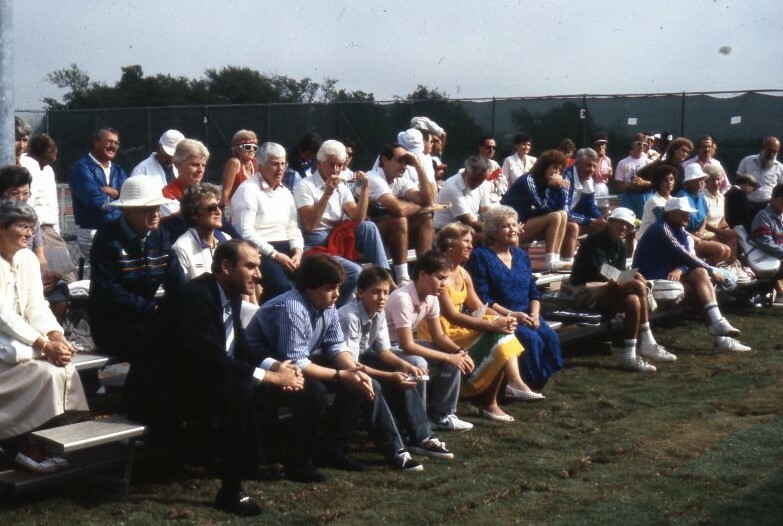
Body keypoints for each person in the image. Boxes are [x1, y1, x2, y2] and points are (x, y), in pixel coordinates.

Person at [165, 239, 324, 516]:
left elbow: (240, 347)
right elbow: (211, 359)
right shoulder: (197, 297)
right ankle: (231, 489)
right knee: (239, 389)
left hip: (216, 377)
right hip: (177, 389)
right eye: (250, 266)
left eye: (259, 267)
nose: (259, 275)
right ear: (226, 267)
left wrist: (276, 367)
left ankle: (298, 463)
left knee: (312, 390)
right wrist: (268, 377)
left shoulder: (230, 294)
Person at [246, 254, 424, 473]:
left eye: (338, 287)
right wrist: (341, 376)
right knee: (315, 391)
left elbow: (336, 346)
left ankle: (333, 449)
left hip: (292, 364)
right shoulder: (291, 309)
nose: (337, 294)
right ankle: (299, 461)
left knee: (358, 384)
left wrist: (354, 370)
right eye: (330, 288)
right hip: (263, 369)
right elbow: (297, 362)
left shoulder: (326, 305)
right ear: (310, 287)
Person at [0, 200, 88, 474]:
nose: (29, 234)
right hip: (6, 346)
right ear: (2, 228)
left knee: (65, 370)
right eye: (22, 227)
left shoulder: (26, 258)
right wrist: (43, 345)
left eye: (31, 227)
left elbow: (36, 305)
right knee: (46, 375)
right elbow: (4, 314)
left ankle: (43, 440)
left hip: (21, 342)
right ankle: (21, 446)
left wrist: (55, 336)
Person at [425, 223, 545, 416]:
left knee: (503, 331)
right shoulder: (440, 276)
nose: (471, 246)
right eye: (465, 241)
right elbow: (452, 316)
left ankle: (504, 391)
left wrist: (508, 316)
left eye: (471, 242)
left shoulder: (463, 273)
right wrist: (492, 323)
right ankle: (494, 399)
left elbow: (479, 307)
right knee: (498, 335)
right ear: (449, 245)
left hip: (458, 328)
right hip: (439, 332)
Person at [338, 266, 455, 456]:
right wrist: (391, 375)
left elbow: (383, 351)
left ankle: (421, 436)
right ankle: (410, 439)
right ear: (360, 292)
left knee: (409, 371)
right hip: (341, 364)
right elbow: (351, 364)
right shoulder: (350, 316)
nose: (382, 297)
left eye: (385, 292)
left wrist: (404, 365)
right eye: (375, 292)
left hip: (362, 357)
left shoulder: (378, 311)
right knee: (385, 381)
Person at [633, 197, 751, 352]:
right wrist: (710, 270)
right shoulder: (662, 229)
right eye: (683, 213)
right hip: (651, 276)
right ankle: (720, 335)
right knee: (699, 286)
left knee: (700, 273)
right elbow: (682, 253)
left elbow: (686, 256)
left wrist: (682, 269)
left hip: (666, 273)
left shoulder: (678, 229)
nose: (688, 217)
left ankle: (718, 325)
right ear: (671, 214)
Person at [467, 206, 565, 390]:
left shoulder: (521, 255)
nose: (512, 229)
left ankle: (539, 381)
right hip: (503, 315)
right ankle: (521, 384)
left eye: (514, 225)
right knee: (531, 339)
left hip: (528, 314)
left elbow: (533, 292)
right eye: (506, 226)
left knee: (549, 336)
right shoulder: (481, 257)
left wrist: (535, 314)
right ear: (494, 231)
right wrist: (514, 314)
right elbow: (484, 298)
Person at [89, 176, 186, 362]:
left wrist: (181, 307)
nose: (156, 213)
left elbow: (176, 280)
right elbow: (107, 288)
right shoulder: (107, 238)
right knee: (158, 347)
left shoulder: (161, 235)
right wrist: (152, 309)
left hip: (149, 318)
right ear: (128, 211)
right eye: (147, 209)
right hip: (114, 324)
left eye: (157, 208)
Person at [567, 207, 673, 372]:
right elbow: (605, 272)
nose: (624, 228)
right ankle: (647, 340)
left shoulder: (621, 246)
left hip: (606, 290)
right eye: (620, 223)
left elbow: (618, 277)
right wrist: (634, 279)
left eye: (628, 226)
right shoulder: (592, 241)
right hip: (584, 293)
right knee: (637, 284)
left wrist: (633, 277)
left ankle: (630, 355)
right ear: (610, 223)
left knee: (633, 300)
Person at [384, 250, 475, 431]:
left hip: (400, 344)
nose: (444, 284)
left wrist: (459, 352)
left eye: (446, 279)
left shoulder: (432, 297)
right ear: (423, 275)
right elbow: (407, 344)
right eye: (440, 278)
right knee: (421, 361)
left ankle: (441, 416)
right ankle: (417, 422)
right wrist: (449, 358)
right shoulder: (403, 298)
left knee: (452, 356)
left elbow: (439, 336)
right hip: (385, 348)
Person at [293, 139, 389, 306]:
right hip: (313, 241)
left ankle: (385, 277)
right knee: (355, 271)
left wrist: (365, 188)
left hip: (335, 236)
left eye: (340, 165)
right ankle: (336, 309)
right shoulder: (305, 186)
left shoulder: (341, 186)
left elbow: (358, 218)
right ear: (319, 163)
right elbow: (310, 224)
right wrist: (327, 193)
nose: (336, 170)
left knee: (369, 226)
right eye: (332, 165)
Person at [231, 142, 303, 302]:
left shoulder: (285, 193)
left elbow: (293, 227)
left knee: (315, 281)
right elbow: (245, 233)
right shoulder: (248, 190)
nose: (281, 169)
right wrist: (275, 254)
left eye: (283, 163)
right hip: (260, 251)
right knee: (283, 288)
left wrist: (298, 251)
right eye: (275, 164)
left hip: (287, 249)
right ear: (260, 165)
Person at [0, 166, 70, 323]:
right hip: (7, 279)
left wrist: (47, 275)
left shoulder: (30, 216)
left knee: (59, 292)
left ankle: (54, 336)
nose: (21, 198)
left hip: (29, 275)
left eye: (25, 193)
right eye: (14, 193)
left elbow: (39, 255)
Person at [366, 142, 435, 284]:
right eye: (400, 161)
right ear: (385, 160)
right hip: (367, 235)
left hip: (387, 231)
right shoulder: (373, 178)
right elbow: (399, 209)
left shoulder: (401, 180)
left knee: (425, 217)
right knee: (400, 219)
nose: (404, 166)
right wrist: (418, 206)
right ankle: (403, 277)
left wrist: (418, 166)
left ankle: (426, 271)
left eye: (406, 162)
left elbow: (428, 200)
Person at [501, 149, 575, 272]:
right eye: (554, 168)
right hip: (512, 226)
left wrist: (559, 189)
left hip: (526, 222)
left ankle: (555, 258)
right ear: (544, 167)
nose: (557, 173)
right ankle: (550, 261)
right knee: (556, 216)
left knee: (561, 214)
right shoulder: (529, 180)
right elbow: (544, 207)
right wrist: (552, 187)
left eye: (560, 170)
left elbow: (560, 208)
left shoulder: (548, 183)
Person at [68, 127, 127, 261]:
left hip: (117, 231)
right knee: (110, 274)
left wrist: (115, 193)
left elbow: (130, 199)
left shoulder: (118, 170)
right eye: (109, 141)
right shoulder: (81, 168)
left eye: (116, 143)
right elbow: (97, 202)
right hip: (93, 231)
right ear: (95, 142)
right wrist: (121, 199)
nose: (113, 146)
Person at [675, 164, 731, 266]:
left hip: (699, 237)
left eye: (702, 179)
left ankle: (711, 270)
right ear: (689, 182)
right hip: (685, 239)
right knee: (720, 250)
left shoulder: (700, 197)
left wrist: (700, 232)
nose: (700, 183)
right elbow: (677, 225)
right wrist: (693, 236)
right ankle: (705, 271)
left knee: (727, 250)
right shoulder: (682, 197)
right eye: (696, 180)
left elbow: (704, 218)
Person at [172, 183, 231, 280]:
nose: (219, 212)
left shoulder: (227, 240)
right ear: (194, 214)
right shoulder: (181, 248)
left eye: (219, 206)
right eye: (212, 208)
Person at [563, 148, 607, 259]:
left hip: (567, 218)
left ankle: (597, 261)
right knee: (573, 227)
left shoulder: (588, 179)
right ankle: (568, 264)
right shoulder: (566, 177)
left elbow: (590, 207)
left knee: (605, 226)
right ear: (577, 164)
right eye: (588, 165)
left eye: (594, 166)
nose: (591, 169)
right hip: (554, 219)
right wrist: (590, 221)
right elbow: (565, 213)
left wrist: (602, 219)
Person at [433, 155, 493, 237]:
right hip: (446, 233)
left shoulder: (482, 181)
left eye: (481, 181)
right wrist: (496, 229)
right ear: (466, 171)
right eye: (474, 180)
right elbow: (470, 222)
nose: (477, 184)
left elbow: (485, 211)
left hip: (466, 229)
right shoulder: (452, 187)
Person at [701, 164, 741, 266]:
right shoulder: (702, 197)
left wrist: (728, 229)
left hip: (718, 232)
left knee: (734, 235)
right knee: (725, 242)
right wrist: (720, 232)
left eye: (718, 179)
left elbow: (722, 219)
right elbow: (702, 222)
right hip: (706, 235)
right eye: (712, 180)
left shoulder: (721, 197)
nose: (716, 183)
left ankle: (730, 265)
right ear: (706, 181)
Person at [749, 183, 783, 304]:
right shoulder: (764, 216)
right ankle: (774, 291)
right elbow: (765, 244)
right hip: (764, 259)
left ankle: (779, 292)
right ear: (776, 199)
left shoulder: (781, 216)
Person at [161, 139, 209, 217]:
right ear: (177, 165)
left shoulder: (206, 193)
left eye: (203, 165)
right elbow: (185, 225)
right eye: (194, 165)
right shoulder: (167, 196)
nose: (200, 170)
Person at [737, 137, 783, 217]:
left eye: (774, 152)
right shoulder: (747, 161)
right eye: (769, 150)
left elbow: (781, 190)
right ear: (763, 147)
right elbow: (738, 181)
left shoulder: (780, 167)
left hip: (768, 208)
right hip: (747, 206)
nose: (771, 154)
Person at [615, 133, 653, 219]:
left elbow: (655, 183)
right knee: (626, 220)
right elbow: (620, 184)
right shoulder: (623, 163)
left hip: (645, 196)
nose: (642, 146)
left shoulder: (650, 163)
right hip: (628, 197)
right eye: (639, 144)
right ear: (633, 145)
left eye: (644, 145)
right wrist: (630, 186)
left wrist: (643, 183)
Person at [220, 130, 258, 214]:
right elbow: (226, 191)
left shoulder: (256, 163)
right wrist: (221, 210)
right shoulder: (234, 163)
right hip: (236, 210)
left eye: (254, 147)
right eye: (247, 147)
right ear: (237, 149)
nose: (252, 150)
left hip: (254, 208)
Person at [637, 164, 677, 240]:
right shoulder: (655, 201)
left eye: (671, 179)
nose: (669, 183)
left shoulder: (674, 200)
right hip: (647, 242)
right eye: (665, 180)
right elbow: (666, 226)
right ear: (658, 182)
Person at [476, 135, 504, 203]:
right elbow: (478, 189)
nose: (492, 150)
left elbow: (503, 186)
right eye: (488, 147)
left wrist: (492, 186)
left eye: (494, 148)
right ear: (480, 148)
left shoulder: (495, 164)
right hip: (480, 203)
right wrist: (494, 184)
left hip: (496, 202)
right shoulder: (473, 165)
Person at [590, 132, 612, 197]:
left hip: (603, 186)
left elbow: (610, 175)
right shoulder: (590, 158)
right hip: (592, 186)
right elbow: (594, 175)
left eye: (603, 144)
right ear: (594, 146)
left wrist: (609, 173)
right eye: (598, 144)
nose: (601, 146)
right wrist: (599, 158)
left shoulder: (607, 159)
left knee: (603, 207)